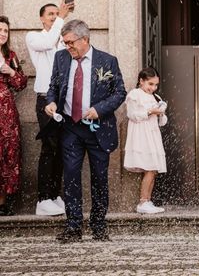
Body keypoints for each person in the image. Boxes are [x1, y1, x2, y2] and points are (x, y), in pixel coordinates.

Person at [44, 19, 126, 243]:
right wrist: (51, 102)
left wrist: (99, 109)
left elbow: (119, 93)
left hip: (98, 129)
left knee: (99, 179)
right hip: (70, 127)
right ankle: (73, 228)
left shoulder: (107, 61)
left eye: (70, 43)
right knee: (71, 176)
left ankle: (99, 227)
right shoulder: (61, 58)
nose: (67, 47)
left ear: (85, 39)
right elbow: (53, 86)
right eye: (65, 42)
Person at [26, 0, 73, 216]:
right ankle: (42, 199)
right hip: (46, 100)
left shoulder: (62, 40)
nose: (55, 16)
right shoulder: (34, 37)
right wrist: (63, 17)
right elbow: (47, 42)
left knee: (62, 148)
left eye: (57, 13)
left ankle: (55, 195)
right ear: (41, 18)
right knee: (49, 147)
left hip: (63, 101)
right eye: (50, 14)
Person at [123, 67, 168, 214]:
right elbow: (132, 114)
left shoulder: (157, 97)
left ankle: (148, 200)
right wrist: (150, 111)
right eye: (150, 84)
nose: (153, 88)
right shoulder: (135, 95)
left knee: (153, 168)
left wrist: (161, 113)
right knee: (149, 167)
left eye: (156, 85)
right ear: (141, 81)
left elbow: (162, 123)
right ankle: (143, 202)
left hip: (153, 134)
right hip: (141, 134)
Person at [0, 16, 28, 216]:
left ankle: (3, 202)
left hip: (5, 111)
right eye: (0, 30)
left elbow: (21, 83)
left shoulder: (10, 55)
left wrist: (9, 71)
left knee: (8, 153)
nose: (2, 33)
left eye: (6, 31)